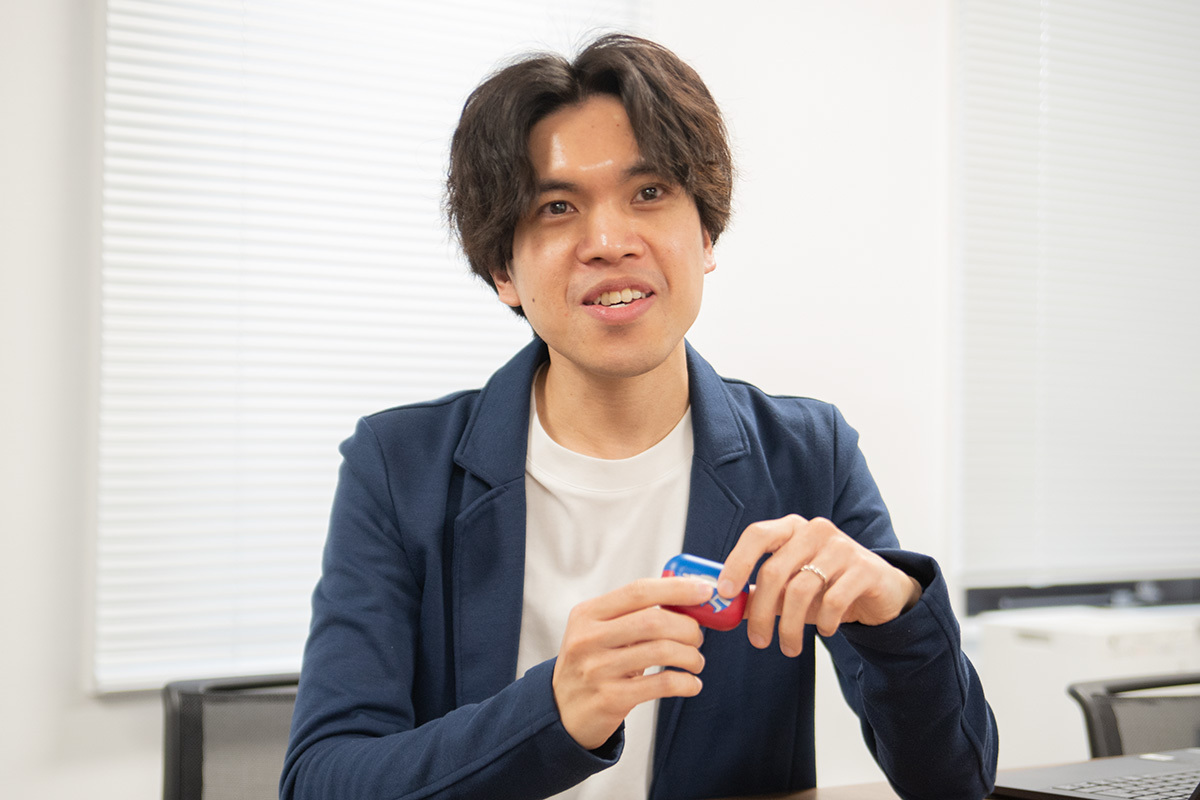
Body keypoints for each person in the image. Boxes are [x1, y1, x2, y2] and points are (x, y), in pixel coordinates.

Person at [280, 33, 997, 800]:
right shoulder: (399, 466)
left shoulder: (806, 454)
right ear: (502, 270)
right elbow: (322, 781)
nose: (609, 242)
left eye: (649, 193)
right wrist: (552, 712)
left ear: (707, 234)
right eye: (557, 207)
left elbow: (956, 783)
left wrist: (893, 611)